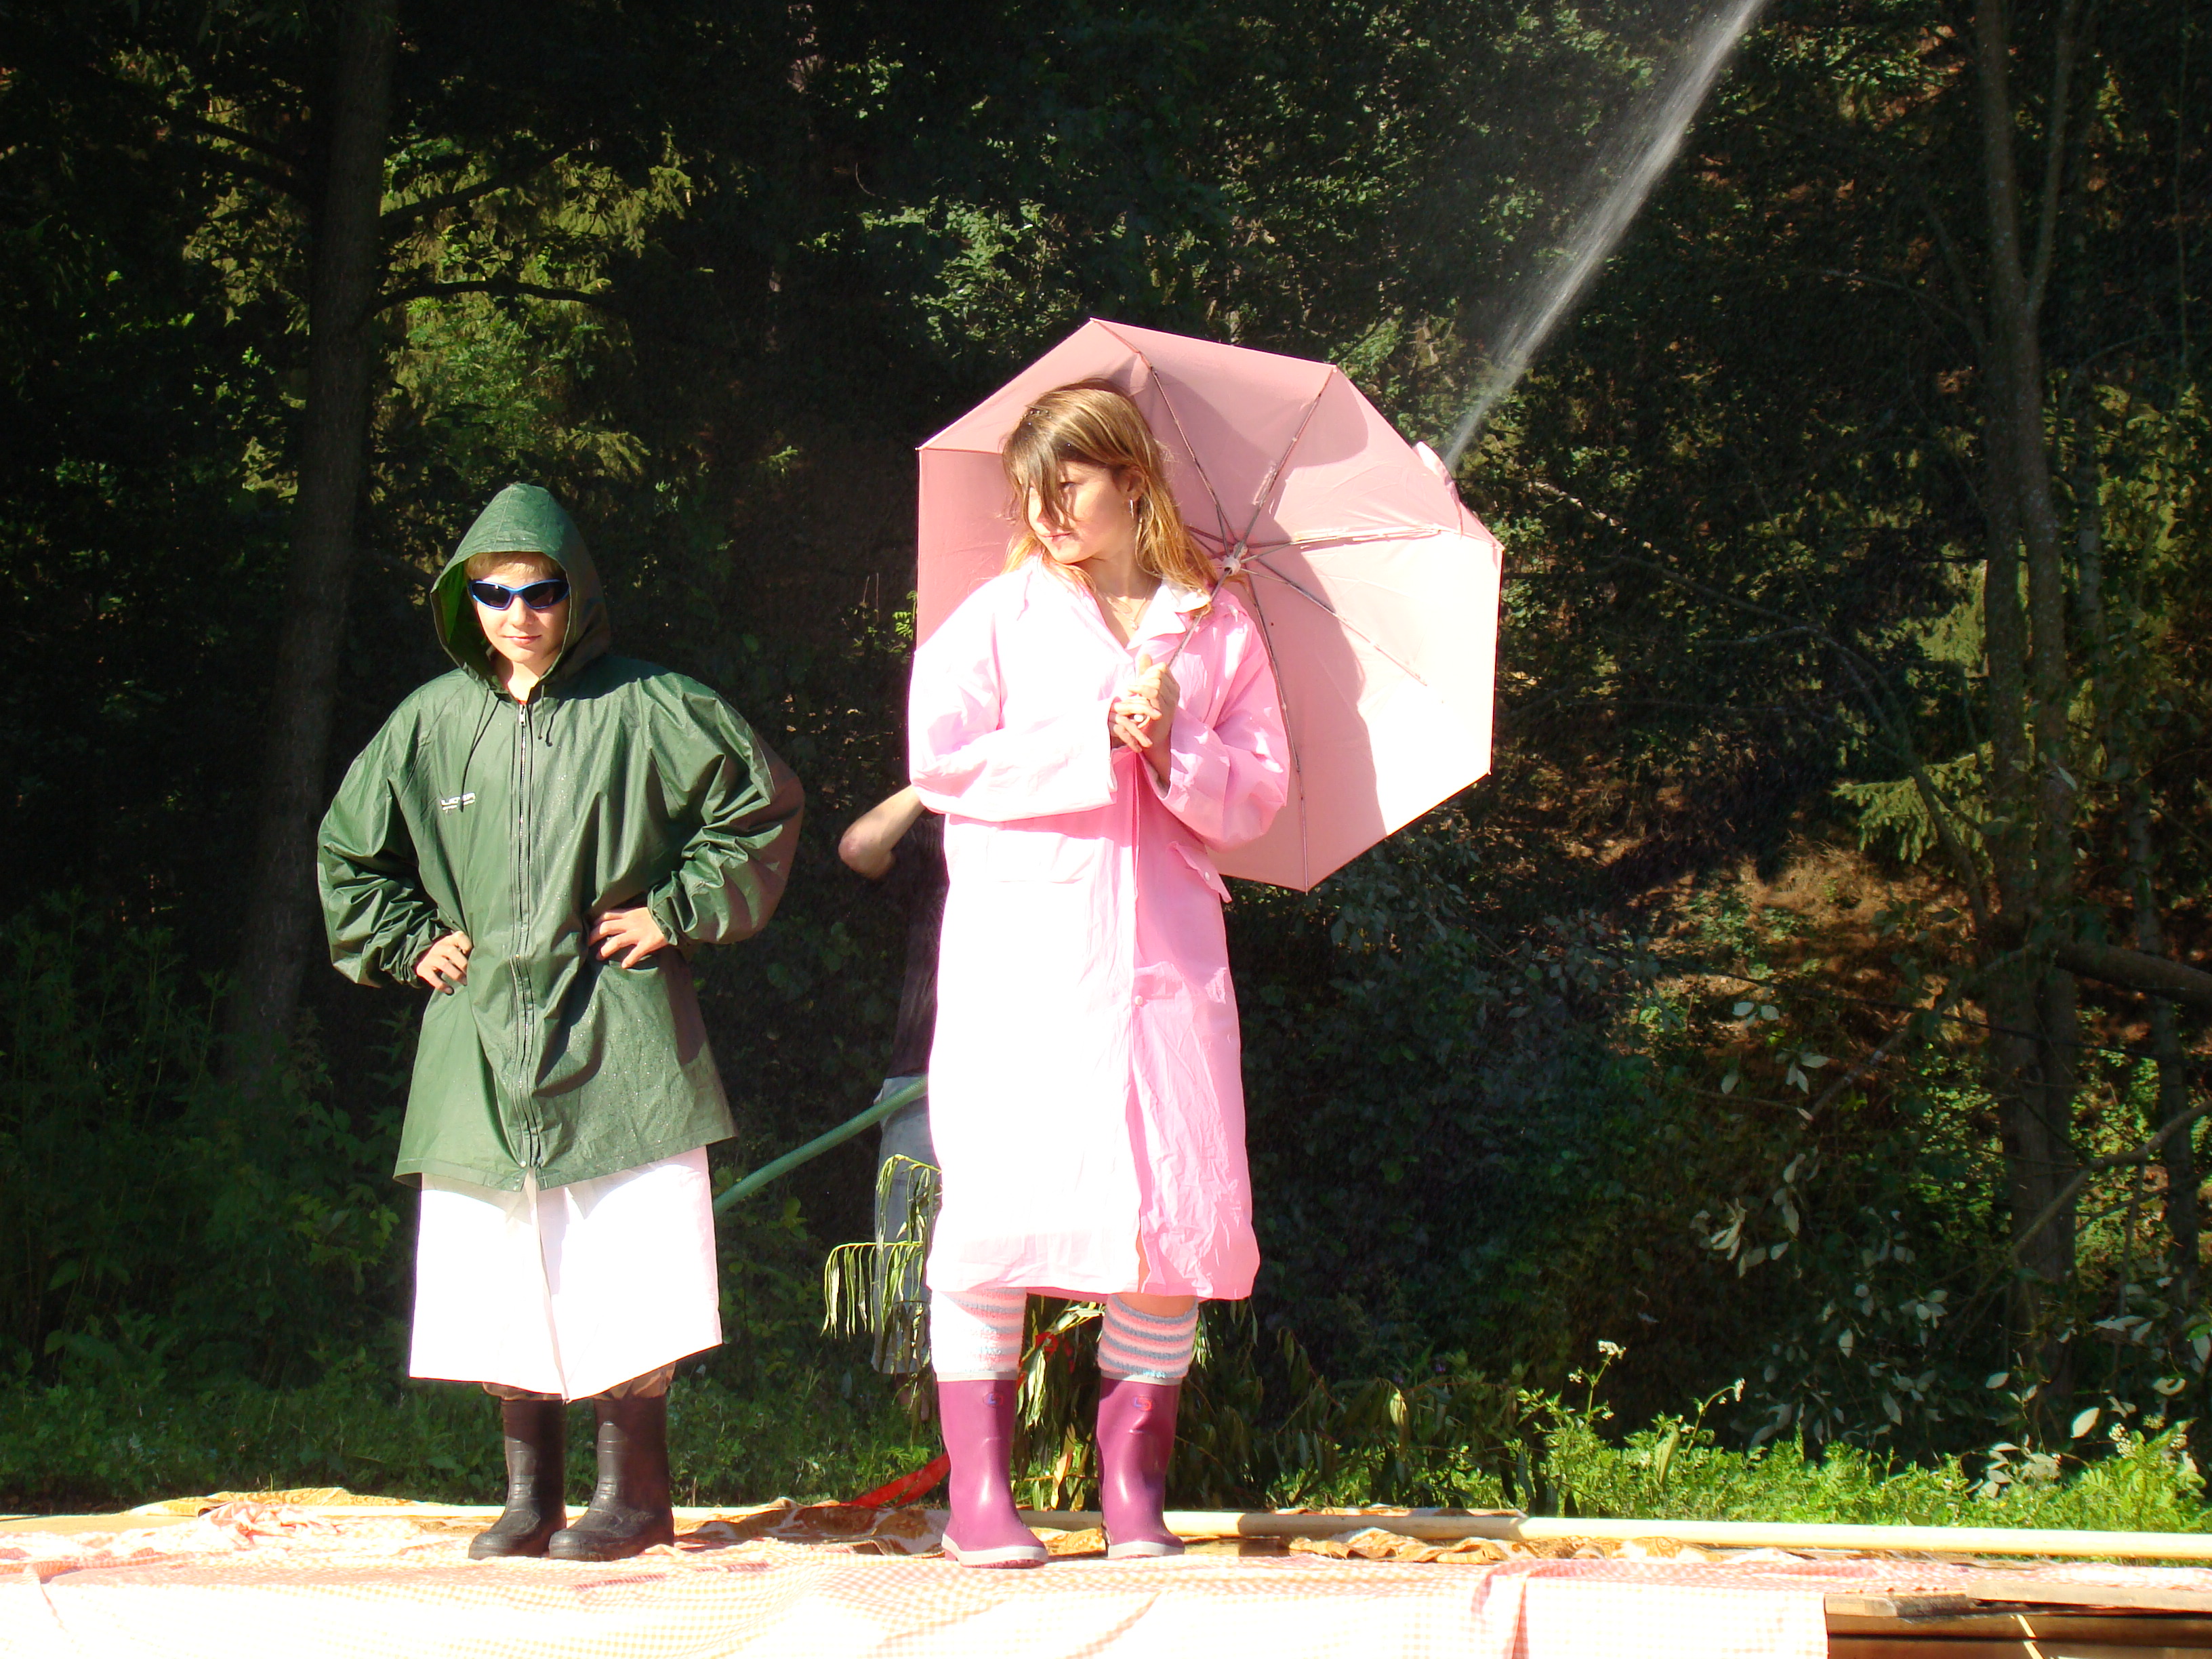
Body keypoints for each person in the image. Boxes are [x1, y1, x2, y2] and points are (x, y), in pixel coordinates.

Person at [318, 483, 802, 1562]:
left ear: (575, 592)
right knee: (499, 1261)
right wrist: (407, 940)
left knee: (630, 1257)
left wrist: (674, 911)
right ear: (465, 599)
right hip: (481, 1032)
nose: (518, 614)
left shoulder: (649, 703)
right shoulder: (431, 723)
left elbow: (762, 804)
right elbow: (348, 852)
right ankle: (529, 1498)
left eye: (539, 590)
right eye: (493, 593)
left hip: (620, 1027)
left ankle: (633, 1498)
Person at [907, 382, 1289, 1565]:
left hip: (1168, 960)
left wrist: (1176, 738)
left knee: (1173, 1211)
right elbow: (938, 762)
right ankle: (980, 1496)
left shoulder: (1215, 627)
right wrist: (1088, 736)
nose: (1044, 510)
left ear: (1130, 478)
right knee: (996, 1209)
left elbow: (1260, 792)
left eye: (1065, 485)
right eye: (1029, 491)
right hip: (1025, 957)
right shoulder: (998, 617)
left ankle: (1131, 1491)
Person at [837, 785, 947, 1378]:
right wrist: (935, 779)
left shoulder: (1060, 836)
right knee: (908, 1281)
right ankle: (914, 1419)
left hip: (1020, 1084)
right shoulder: (942, 838)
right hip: (922, 1081)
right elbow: (860, 847)